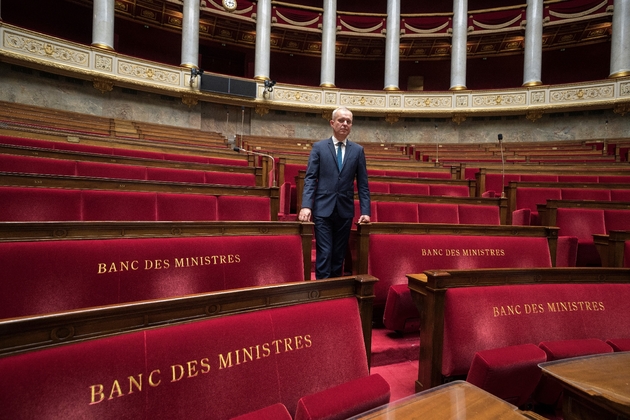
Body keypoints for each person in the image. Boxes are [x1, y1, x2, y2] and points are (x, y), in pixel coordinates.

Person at [298, 107, 371, 279]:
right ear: (332, 123)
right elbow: (310, 178)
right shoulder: (319, 147)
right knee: (325, 252)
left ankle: (336, 291)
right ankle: (322, 291)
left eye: (349, 121)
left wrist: (366, 212)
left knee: (339, 254)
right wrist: (306, 206)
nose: (345, 124)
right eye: (341, 120)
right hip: (323, 208)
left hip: (345, 210)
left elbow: (363, 184)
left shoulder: (358, 150)